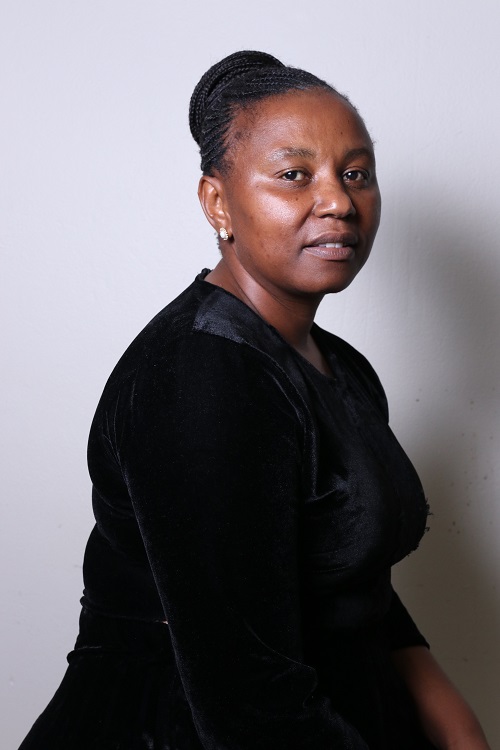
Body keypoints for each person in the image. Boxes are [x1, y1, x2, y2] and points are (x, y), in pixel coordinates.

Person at [19, 51, 490, 750]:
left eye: (356, 174)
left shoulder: (341, 368)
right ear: (218, 203)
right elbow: (247, 702)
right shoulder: (202, 379)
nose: (339, 202)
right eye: (295, 175)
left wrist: (456, 726)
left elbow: (355, 586)